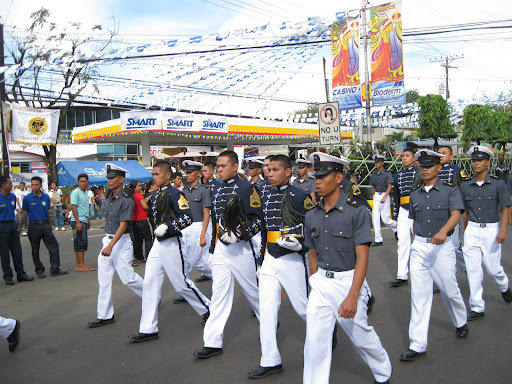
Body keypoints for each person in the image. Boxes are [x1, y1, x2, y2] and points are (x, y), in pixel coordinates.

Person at [303, 152, 392, 384]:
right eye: (315, 177)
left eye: (323, 176)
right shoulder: (311, 215)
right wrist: (314, 282)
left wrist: (353, 296)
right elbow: (313, 254)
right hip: (321, 282)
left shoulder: (356, 211)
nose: (317, 182)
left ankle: (383, 373)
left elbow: (362, 257)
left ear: (339, 177)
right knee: (314, 340)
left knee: (360, 336)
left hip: (347, 282)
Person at [247, 154, 314, 379]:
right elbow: (265, 229)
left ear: (288, 172)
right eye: (269, 169)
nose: (270, 173)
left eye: (275, 170)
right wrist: (260, 258)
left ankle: (327, 330)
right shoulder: (264, 194)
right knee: (266, 310)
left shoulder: (300, 195)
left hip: (292, 259)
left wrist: (300, 243)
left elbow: (313, 227)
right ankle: (270, 360)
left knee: (303, 307)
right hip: (270, 258)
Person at [129, 160, 210, 342]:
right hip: (159, 243)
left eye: (157, 174)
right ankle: (148, 328)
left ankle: (208, 308)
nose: (154, 178)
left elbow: (187, 217)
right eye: (153, 175)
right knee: (150, 283)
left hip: (172, 242)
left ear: (167, 175)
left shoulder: (175, 194)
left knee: (181, 284)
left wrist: (168, 226)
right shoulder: (156, 195)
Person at [193, 150, 263, 359]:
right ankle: (212, 342)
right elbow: (215, 222)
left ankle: (268, 321)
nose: (220, 169)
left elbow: (257, 220)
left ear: (235, 167)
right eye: (218, 166)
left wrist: (239, 234)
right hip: (222, 248)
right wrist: (213, 250)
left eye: (224, 166)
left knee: (253, 292)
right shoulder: (213, 188)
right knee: (219, 294)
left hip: (241, 248)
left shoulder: (247, 188)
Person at [400, 150, 469, 362]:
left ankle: (460, 321)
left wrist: (443, 231)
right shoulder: (415, 194)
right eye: (423, 165)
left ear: (439, 167)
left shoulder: (449, 190)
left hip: (442, 247)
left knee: (450, 290)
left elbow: (456, 213)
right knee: (419, 296)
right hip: (420, 247)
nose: (425, 169)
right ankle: (417, 344)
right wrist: (416, 242)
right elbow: (413, 220)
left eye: (430, 165)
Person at [88, 164, 144, 328]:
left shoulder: (126, 200)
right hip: (108, 240)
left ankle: (151, 295)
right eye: (108, 178)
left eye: (112, 178)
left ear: (121, 179)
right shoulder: (110, 197)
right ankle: (105, 315)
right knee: (104, 279)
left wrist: (111, 246)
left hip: (120, 242)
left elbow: (123, 224)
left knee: (128, 278)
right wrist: (108, 244)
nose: (109, 181)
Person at [460, 146, 512, 321]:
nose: (476, 163)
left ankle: (504, 286)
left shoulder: (498, 184)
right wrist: (466, 230)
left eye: (480, 160)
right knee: (473, 270)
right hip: (472, 229)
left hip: (491, 229)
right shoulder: (466, 185)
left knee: (493, 268)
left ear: (488, 162)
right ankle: (477, 306)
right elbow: (465, 211)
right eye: (474, 160)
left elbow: (506, 207)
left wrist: (503, 230)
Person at [18, 176, 68, 278]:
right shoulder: (27, 198)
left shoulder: (45, 197)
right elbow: (24, 213)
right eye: (32, 185)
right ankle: (39, 270)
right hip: (33, 226)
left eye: (36, 185)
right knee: (35, 249)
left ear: (41, 185)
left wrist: (50, 225)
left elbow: (47, 211)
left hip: (45, 225)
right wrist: (20, 227)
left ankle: (55, 268)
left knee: (54, 246)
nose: (34, 187)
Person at [390, 148, 418, 287]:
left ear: (414, 159)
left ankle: (429, 277)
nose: (404, 158)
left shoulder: (419, 173)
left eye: (407, 156)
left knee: (420, 243)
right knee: (402, 243)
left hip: (416, 210)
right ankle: (402, 275)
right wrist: (395, 215)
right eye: (403, 156)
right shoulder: (397, 175)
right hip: (403, 209)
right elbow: (395, 196)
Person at [181, 160, 212, 283]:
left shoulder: (203, 190)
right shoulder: (183, 191)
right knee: (185, 261)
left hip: (198, 226)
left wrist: (203, 234)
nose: (187, 175)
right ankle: (186, 288)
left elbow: (206, 214)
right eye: (186, 172)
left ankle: (217, 275)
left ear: (198, 174)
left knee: (195, 261)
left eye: (190, 172)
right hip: (185, 228)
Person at [438, 145, 467, 274]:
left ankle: (467, 267)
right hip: (437, 211)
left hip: (452, 211)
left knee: (454, 245)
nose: (441, 156)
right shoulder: (434, 170)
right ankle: (445, 277)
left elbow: (464, 189)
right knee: (438, 246)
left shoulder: (456, 170)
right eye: (439, 153)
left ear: (451, 156)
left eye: (444, 153)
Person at [0, 176, 33, 285]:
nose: (11, 185)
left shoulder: (13, 197)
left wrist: (18, 227)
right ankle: (8, 276)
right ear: (3, 185)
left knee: (17, 252)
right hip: (2, 226)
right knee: (4, 253)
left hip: (12, 224)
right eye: (9, 183)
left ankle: (21, 274)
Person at [370, 154, 397, 246]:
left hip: (385, 195)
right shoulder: (373, 175)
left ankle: (397, 228)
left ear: (382, 163)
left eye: (378, 162)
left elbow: (390, 186)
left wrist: (385, 197)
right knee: (375, 218)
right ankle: (378, 239)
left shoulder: (387, 174)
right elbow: (373, 187)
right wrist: (374, 196)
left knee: (385, 219)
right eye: (375, 162)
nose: (376, 164)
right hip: (377, 195)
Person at [69, 173, 95, 272]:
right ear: (78, 183)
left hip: (83, 219)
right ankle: (80, 265)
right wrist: (77, 222)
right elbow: (74, 207)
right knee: (80, 242)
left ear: (88, 182)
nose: (83, 183)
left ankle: (80, 264)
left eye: (85, 181)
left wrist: (87, 220)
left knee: (81, 242)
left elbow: (85, 207)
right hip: (77, 220)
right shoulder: (75, 192)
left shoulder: (86, 193)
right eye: (81, 182)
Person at [129, 180, 152, 263]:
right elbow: (145, 206)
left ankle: (139, 256)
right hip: (141, 218)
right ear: (135, 187)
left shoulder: (131, 196)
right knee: (148, 238)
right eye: (138, 186)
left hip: (134, 219)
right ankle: (149, 255)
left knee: (137, 239)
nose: (140, 187)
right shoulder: (138, 195)